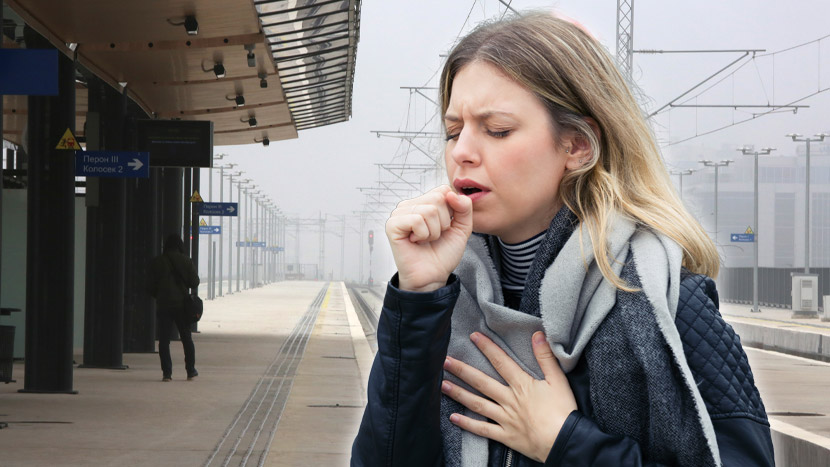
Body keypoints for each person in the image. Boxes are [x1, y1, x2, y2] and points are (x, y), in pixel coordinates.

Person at [351, 11, 774, 467]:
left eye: (497, 131)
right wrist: (418, 297)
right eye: (454, 131)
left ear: (576, 146)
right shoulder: (444, 299)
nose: (461, 152)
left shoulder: (669, 301)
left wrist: (566, 442)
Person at [147, 234, 200, 382]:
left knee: (164, 340)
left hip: (164, 305)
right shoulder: (186, 261)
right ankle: (190, 370)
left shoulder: (158, 262)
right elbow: (194, 282)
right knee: (186, 338)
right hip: (182, 305)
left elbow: (149, 285)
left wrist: (159, 294)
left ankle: (167, 373)